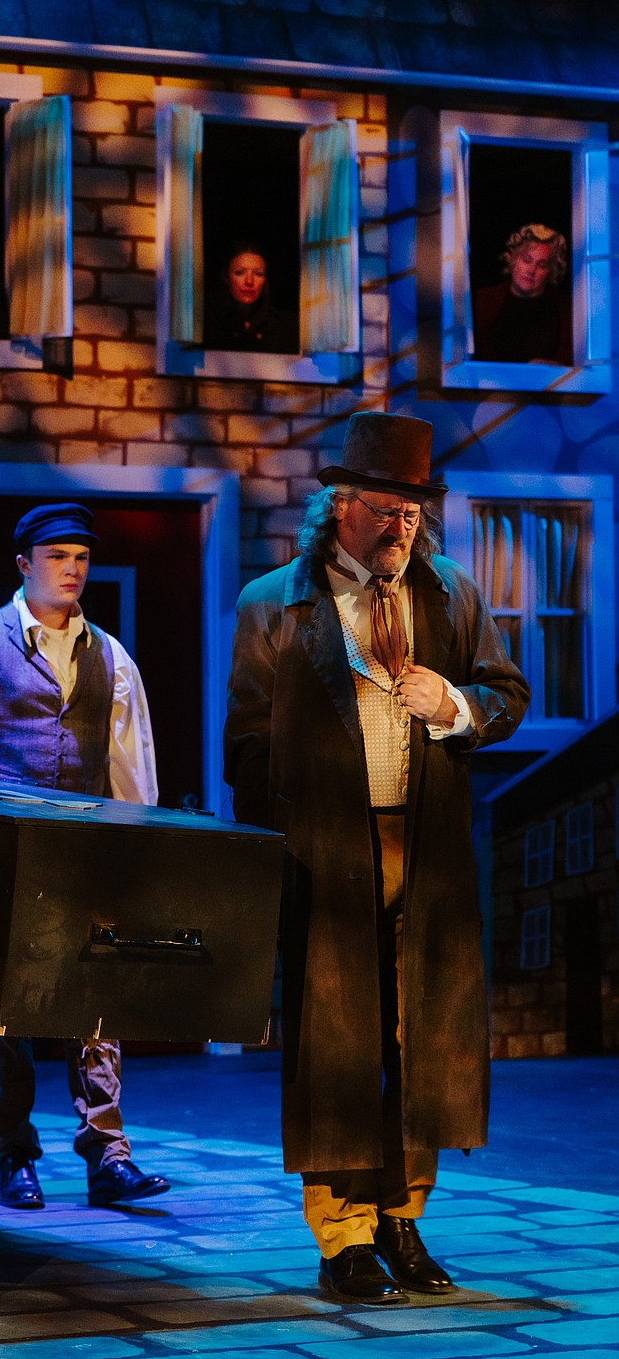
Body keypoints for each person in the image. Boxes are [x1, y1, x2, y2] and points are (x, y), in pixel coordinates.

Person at [224, 413, 529, 1306]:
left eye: (414, 510)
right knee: (336, 1044)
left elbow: (505, 695)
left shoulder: (450, 597)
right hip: (328, 853)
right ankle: (342, 1234)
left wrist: (456, 704)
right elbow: (243, 741)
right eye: (387, 507)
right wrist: (290, 825)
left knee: (422, 1037)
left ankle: (403, 1215)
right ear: (342, 506)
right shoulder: (277, 601)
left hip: (424, 849)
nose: (403, 524)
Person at [0, 502, 169, 1212]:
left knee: (95, 1004)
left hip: (87, 857)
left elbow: (133, 768)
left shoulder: (111, 656)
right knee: (6, 1011)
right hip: (5, 858)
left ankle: (108, 1154)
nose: (71, 571)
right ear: (23, 565)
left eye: (80, 559)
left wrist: (141, 850)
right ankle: (15, 1156)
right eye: (56, 558)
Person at [472, 222, 572, 365]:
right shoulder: (482, 301)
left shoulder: (569, 309)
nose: (531, 270)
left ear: (552, 271)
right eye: (526, 260)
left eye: (542, 265)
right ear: (512, 259)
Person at [208, 244, 298, 353]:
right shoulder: (208, 323)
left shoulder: (286, 326)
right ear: (226, 277)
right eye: (240, 272)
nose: (249, 281)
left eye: (258, 274)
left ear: (265, 280)